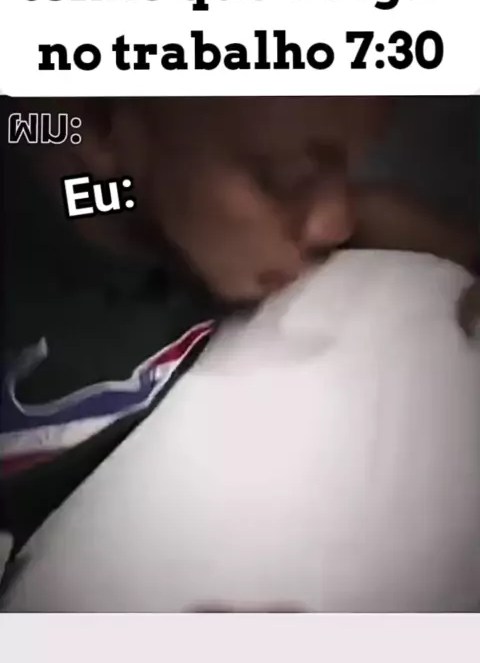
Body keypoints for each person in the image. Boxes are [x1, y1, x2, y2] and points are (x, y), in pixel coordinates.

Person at [0, 96, 478, 561]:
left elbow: (372, 216)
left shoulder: (149, 199)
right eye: (287, 178)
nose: (336, 223)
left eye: (348, 167)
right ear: (101, 122)